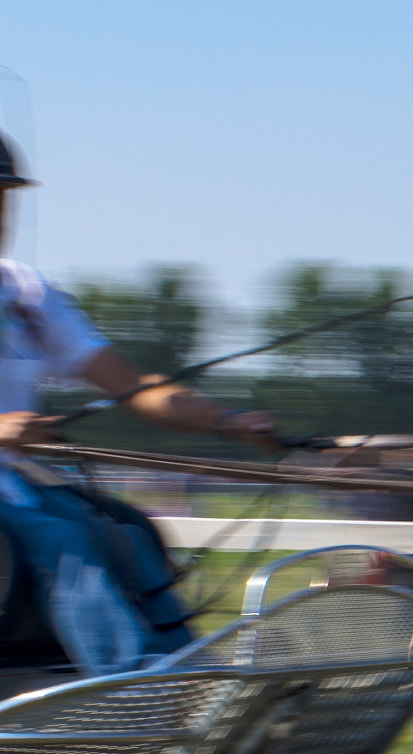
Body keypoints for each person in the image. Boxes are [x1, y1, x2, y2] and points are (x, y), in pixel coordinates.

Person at [0, 133, 277, 674]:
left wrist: (229, 422)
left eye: (4, 196)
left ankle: (192, 672)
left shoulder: (24, 293)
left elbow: (133, 386)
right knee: (62, 536)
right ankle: (133, 683)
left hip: (11, 485)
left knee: (126, 530)